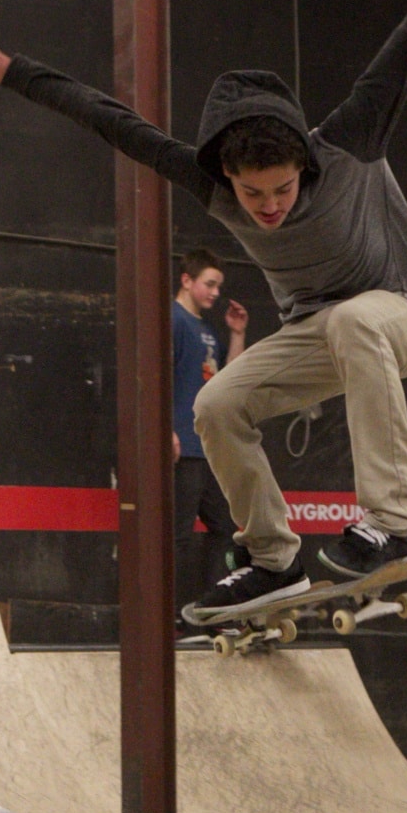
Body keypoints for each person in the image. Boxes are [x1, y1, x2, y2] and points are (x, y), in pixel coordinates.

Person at [0, 0, 407, 622]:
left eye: (283, 189)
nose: (269, 207)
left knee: (356, 321)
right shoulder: (208, 184)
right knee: (217, 405)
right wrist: (5, 69)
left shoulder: (349, 139)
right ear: (226, 175)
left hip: (399, 317)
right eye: (252, 193)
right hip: (318, 335)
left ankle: (397, 522)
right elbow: (111, 120)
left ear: (302, 164)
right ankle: (273, 560)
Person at [171, 249, 247, 606]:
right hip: (182, 450)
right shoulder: (171, 320)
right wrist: (166, 431)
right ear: (187, 280)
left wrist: (236, 334)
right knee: (177, 535)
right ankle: (167, 616)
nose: (216, 293)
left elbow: (227, 381)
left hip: (208, 451)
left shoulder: (207, 330)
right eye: (209, 284)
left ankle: (215, 608)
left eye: (219, 286)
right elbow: (154, 377)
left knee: (226, 529)